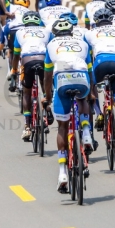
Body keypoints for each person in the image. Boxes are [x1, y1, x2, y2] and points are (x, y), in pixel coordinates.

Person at [43, 17, 94, 193]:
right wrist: (92, 91)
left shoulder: (50, 45)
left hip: (62, 81)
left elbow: (48, 75)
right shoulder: (83, 43)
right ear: (71, 32)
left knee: (62, 128)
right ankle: (86, 133)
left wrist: (47, 97)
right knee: (83, 99)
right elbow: (90, 69)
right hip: (82, 79)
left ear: (55, 33)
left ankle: (63, 173)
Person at [85, 7, 115, 164]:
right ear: (111, 20)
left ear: (96, 22)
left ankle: (99, 112)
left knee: (92, 87)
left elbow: (87, 57)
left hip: (100, 63)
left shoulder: (90, 33)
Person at [9, 11, 51, 141]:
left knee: (26, 92)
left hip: (27, 60)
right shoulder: (46, 31)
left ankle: (27, 125)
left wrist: (14, 71)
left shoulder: (20, 32)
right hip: (43, 59)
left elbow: (16, 55)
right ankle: (47, 107)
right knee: (46, 85)